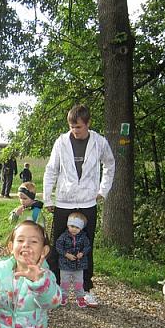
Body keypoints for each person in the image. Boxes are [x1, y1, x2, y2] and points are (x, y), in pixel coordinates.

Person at [43, 103, 115, 308]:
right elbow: (51, 170)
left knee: (86, 245)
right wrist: (48, 198)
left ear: (88, 123)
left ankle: (86, 289)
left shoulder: (100, 142)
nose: (75, 131)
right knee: (58, 244)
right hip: (64, 201)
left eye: (79, 127)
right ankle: (54, 288)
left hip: (87, 201)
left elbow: (110, 165)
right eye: (72, 127)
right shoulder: (61, 142)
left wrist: (103, 190)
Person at [55, 212, 92, 307]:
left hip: (79, 265)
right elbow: (58, 246)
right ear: (68, 225)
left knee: (79, 282)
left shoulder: (84, 237)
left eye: (77, 227)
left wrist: (82, 253)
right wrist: (66, 254)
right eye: (72, 226)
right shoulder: (64, 236)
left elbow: (88, 246)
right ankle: (63, 296)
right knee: (64, 282)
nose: (74, 229)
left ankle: (80, 297)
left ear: (81, 228)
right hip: (65, 264)